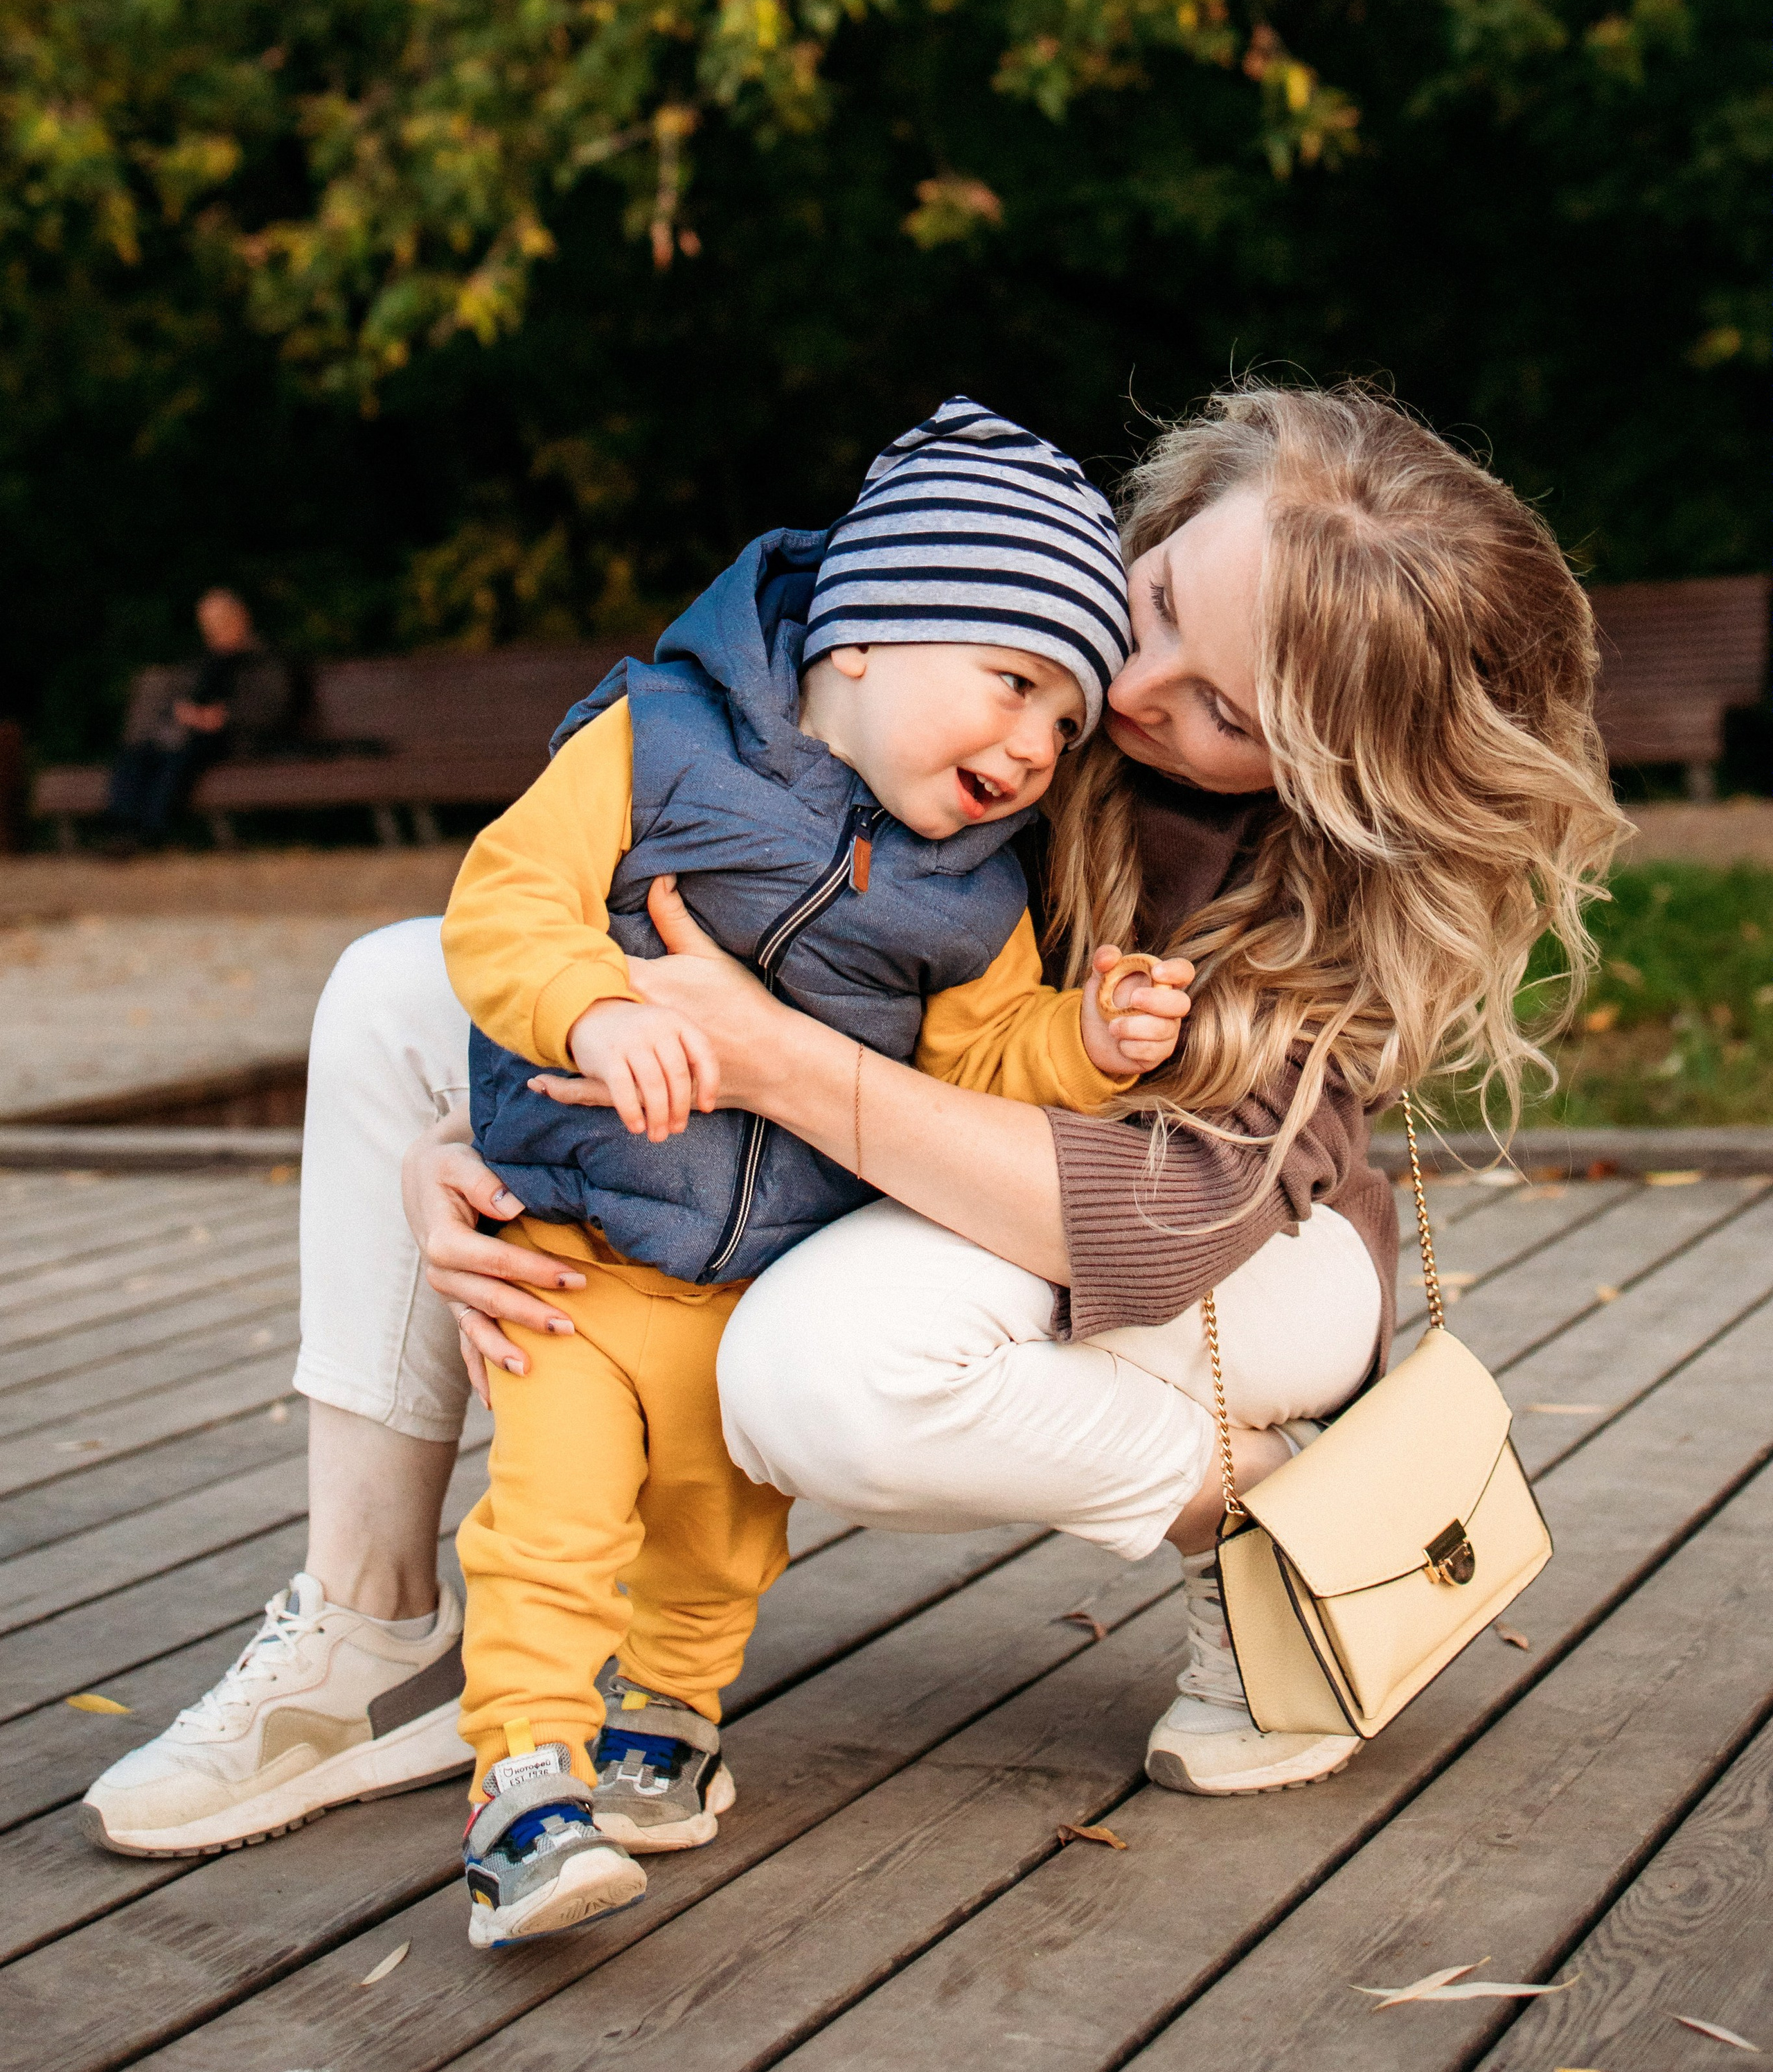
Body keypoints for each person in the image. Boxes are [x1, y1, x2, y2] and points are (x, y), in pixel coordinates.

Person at [81, 381, 1623, 1871]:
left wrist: (773, 1064)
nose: (1127, 697)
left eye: (1222, 709)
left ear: (1339, 774)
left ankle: (1258, 1506)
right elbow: (655, 915)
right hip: (902, 1148)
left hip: (1234, 1262)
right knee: (395, 983)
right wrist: (489, 1139)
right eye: (1152, 603)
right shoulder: (981, 632)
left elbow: (1150, 1222)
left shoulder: (1324, 884)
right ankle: (374, 1628)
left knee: (811, 1371)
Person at [441, 400, 1195, 1946]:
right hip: (576, 1249)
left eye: (1065, 724)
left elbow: (975, 1061)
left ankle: (668, 1720)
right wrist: (590, 1007)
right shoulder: (652, 743)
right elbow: (503, 905)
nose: (1034, 748)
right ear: (859, 639)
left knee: (718, 1536)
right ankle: (520, 1784)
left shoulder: (975, 891)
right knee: (553, 1521)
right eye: (1013, 683)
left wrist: (1083, 1041)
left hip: (757, 1276)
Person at [104, 587, 292, 851]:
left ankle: (150, 832)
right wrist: (186, 712)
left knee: (179, 755)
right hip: (193, 733)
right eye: (209, 625)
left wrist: (225, 716)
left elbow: (274, 707)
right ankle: (121, 830)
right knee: (140, 752)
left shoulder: (265, 659)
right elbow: (184, 695)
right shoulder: (204, 660)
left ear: (241, 616)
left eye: (221, 621)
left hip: (238, 739)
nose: (215, 631)